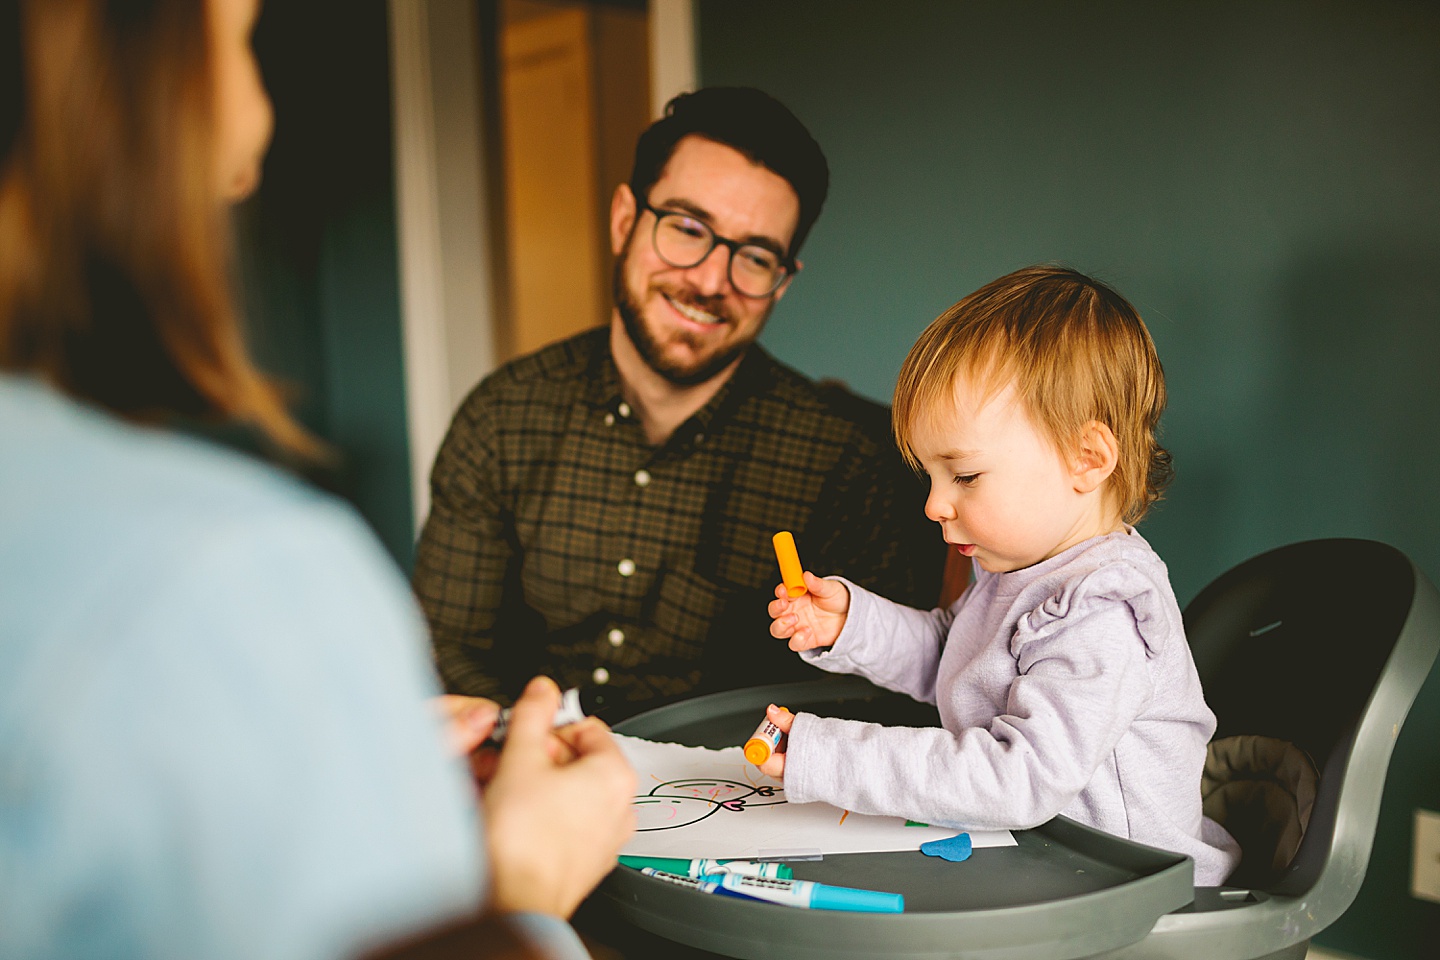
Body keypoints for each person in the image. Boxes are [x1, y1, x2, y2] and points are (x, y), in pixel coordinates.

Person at [0, 2, 633, 959]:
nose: (256, 131)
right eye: (243, 40)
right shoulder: (238, 576)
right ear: (131, 82)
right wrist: (525, 887)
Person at [415, 86, 945, 722]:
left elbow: (878, 699)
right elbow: (450, 652)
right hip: (532, 772)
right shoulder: (502, 418)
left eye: (754, 256)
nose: (710, 280)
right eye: (688, 229)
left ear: (782, 282)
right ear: (623, 221)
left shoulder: (846, 465)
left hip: (739, 795)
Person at [759, 265, 1242, 886]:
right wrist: (850, 624)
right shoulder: (1013, 565)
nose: (934, 504)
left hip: (1129, 896)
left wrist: (829, 757)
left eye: (964, 476)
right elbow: (951, 661)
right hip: (1038, 865)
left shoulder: (1101, 612)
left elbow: (1018, 779)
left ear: (1086, 459)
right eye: (929, 477)